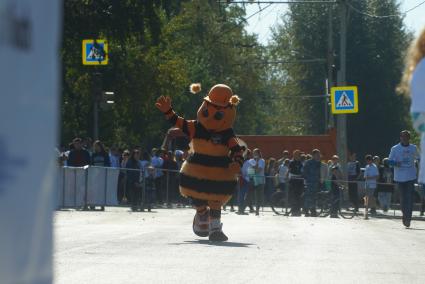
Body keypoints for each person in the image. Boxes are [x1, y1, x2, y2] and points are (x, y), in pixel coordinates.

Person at [388, 130, 419, 228]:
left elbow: (419, 158)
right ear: (400, 137)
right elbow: (389, 161)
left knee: (409, 198)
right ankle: (404, 215)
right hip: (399, 178)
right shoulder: (395, 148)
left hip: (410, 176)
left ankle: (408, 219)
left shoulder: (413, 148)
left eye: (406, 137)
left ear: (409, 138)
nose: (404, 138)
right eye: (402, 136)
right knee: (402, 198)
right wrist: (395, 163)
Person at [302, 149, 322, 217]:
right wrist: (308, 179)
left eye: (319, 155)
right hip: (310, 182)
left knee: (314, 197)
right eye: (317, 154)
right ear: (313, 155)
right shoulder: (308, 162)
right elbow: (304, 172)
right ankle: (306, 210)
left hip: (316, 182)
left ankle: (313, 210)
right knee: (308, 196)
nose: (319, 156)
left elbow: (319, 173)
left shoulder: (318, 163)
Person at [247, 148, 266, 216]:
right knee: (249, 194)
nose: (254, 154)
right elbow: (249, 170)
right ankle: (251, 208)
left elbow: (259, 170)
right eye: (253, 153)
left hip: (260, 180)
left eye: (255, 153)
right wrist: (254, 169)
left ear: (258, 153)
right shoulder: (251, 160)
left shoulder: (262, 161)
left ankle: (257, 210)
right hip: (252, 180)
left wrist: (254, 169)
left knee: (259, 196)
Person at [288, 150, 304, 216]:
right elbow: (289, 171)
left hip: (299, 181)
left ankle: (298, 210)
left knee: (299, 196)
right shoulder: (291, 162)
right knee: (294, 196)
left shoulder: (300, 163)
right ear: (295, 155)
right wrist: (287, 178)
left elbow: (302, 171)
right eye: (299, 155)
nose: (300, 156)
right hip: (293, 180)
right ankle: (294, 210)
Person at [363, 155, 379, 220]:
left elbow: (377, 176)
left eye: (368, 160)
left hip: (372, 185)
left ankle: (370, 210)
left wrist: (370, 177)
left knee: (369, 198)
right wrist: (367, 177)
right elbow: (365, 176)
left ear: (370, 160)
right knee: (366, 198)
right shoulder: (367, 167)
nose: (367, 162)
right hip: (367, 184)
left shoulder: (374, 167)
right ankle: (367, 212)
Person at [237, 149, 252, 215]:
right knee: (242, 195)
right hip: (244, 179)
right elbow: (251, 173)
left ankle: (240, 209)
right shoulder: (248, 162)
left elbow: (249, 172)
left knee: (241, 195)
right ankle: (241, 210)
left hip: (243, 179)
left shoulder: (244, 162)